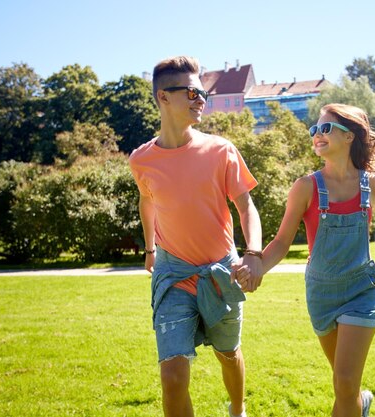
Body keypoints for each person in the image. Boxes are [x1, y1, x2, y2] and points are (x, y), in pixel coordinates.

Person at [128, 56, 263, 417]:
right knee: (172, 377)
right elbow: (147, 202)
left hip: (221, 271)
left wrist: (252, 253)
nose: (200, 99)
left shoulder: (221, 150)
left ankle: (238, 409)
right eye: (190, 92)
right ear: (162, 98)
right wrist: (151, 249)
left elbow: (246, 207)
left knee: (228, 354)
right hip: (173, 276)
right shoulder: (141, 160)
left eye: (202, 92)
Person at [254, 103, 375, 417]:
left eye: (325, 128)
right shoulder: (305, 187)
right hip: (321, 293)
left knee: (346, 382)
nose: (317, 135)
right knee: (343, 384)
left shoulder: (374, 186)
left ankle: (356, 399)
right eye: (314, 130)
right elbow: (282, 241)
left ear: (349, 136)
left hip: (362, 289)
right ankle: (360, 404)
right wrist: (258, 266)